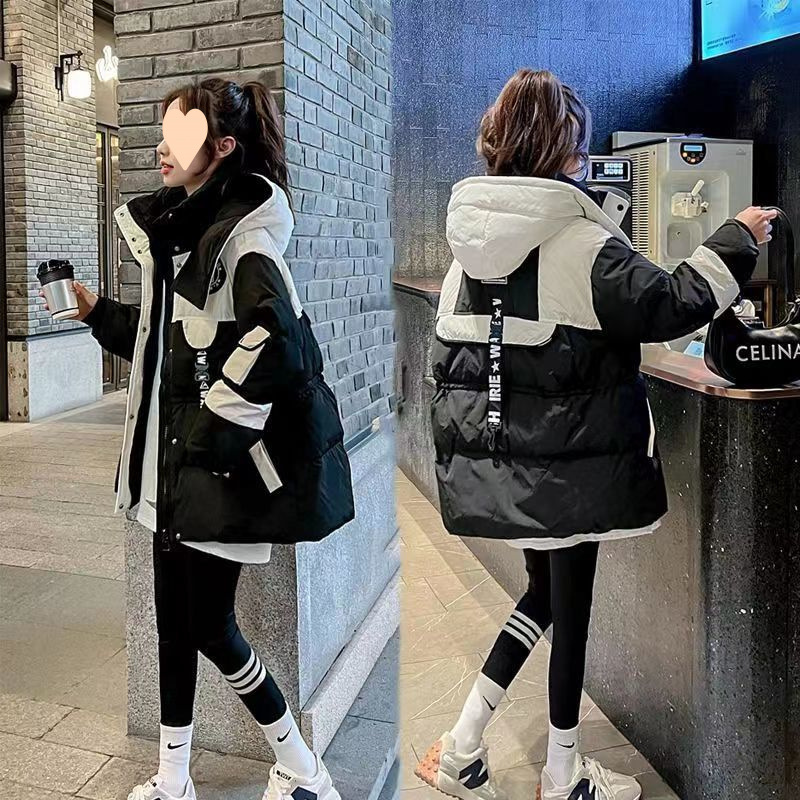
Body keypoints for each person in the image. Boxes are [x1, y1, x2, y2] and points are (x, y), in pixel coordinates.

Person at [414, 69, 774, 800]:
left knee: (544, 594)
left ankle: (463, 745)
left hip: (504, 463)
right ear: (560, 150)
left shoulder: (466, 250)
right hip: (568, 466)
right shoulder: (581, 244)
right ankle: (563, 774)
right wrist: (738, 238)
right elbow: (673, 303)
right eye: (577, 144)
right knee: (567, 607)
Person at [41, 78, 354, 800]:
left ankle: (302, 767)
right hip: (171, 477)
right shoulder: (182, 241)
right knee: (174, 629)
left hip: (212, 477)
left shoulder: (244, 242)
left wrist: (210, 436)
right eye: (162, 133)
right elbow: (168, 350)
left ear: (222, 147)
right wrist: (94, 311)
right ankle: (174, 777)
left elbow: (276, 346)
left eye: (178, 136)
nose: (161, 149)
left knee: (210, 628)